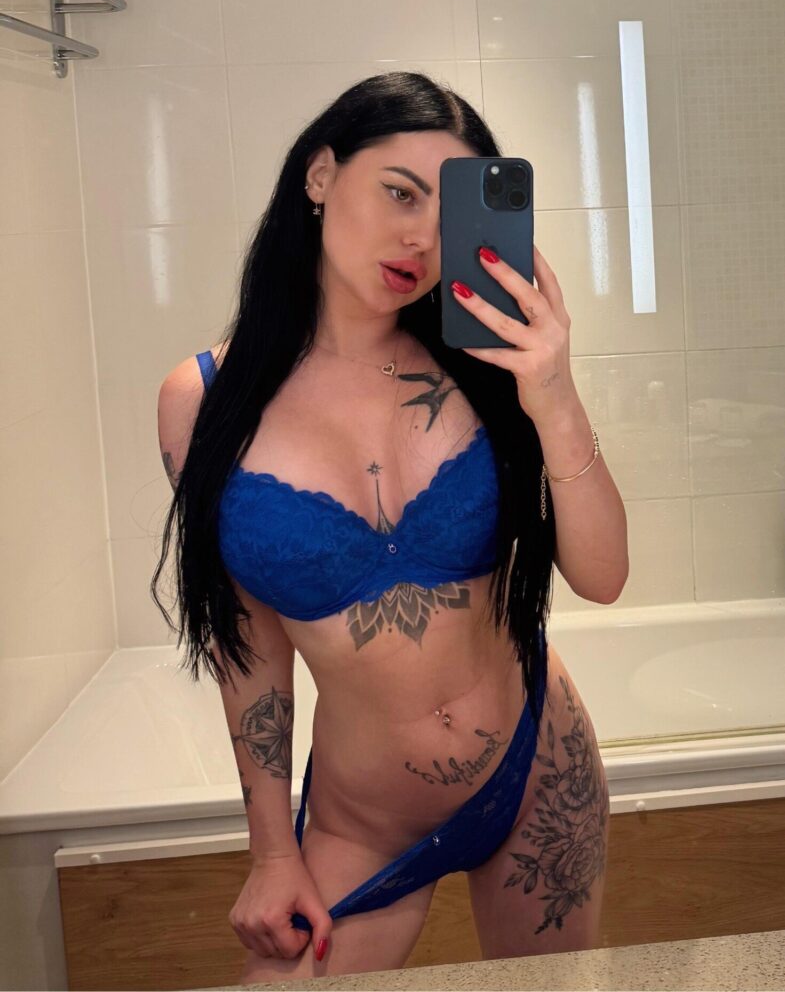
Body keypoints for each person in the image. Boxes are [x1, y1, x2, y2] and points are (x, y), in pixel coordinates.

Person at [153, 71, 621, 983]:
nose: (421, 240)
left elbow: (603, 578)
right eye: (400, 193)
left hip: (536, 767)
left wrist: (554, 393)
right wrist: (271, 852)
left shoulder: (486, 366)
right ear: (320, 174)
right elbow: (247, 642)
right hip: (361, 823)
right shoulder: (205, 403)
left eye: (447, 216)